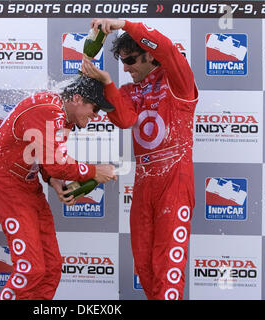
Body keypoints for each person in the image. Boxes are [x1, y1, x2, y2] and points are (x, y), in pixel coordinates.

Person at [81, 18, 198, 300]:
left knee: (166, 266)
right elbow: (125, 119)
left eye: (131, 60)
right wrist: (105, 82)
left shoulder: (176, 79)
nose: (126, 68)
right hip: (145, 184)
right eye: (122, 62)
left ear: (149, 55)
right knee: (145, 268)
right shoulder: (129, 91)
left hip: (175, 181)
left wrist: (124, 24)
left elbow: (168, 50)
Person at [0, 75, 117, 300]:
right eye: (94, 109)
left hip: (28, 185)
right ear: (77, 98)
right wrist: (96, 172)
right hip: (8, 187)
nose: (96, 117)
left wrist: (52, 180)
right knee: (30, 269)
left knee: (51, 267)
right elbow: (57, 163)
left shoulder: (64, 117)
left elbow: (46, 159)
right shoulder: (49, 110)